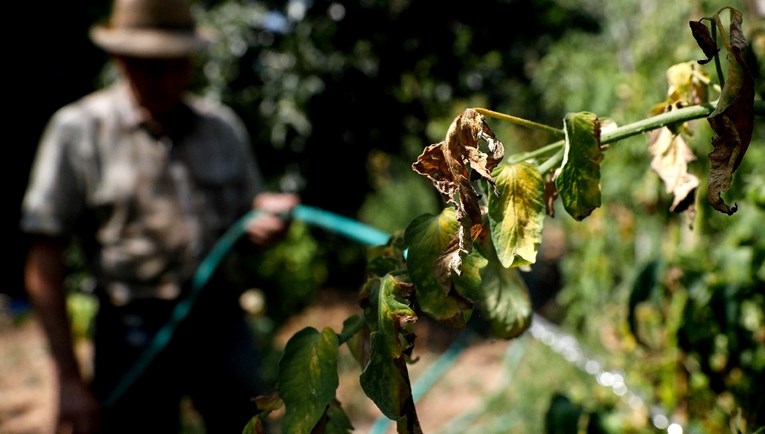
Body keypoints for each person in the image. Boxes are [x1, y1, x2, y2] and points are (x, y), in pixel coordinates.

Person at [19, 0, 299, 432]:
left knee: (247, 425)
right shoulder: (79, 132)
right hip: (132, 328)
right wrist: (69, 379)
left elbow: (245, 218)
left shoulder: (221, 128)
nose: (167, 80)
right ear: (120, 59)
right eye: (150, 67)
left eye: (177, 65)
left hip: (219, 322)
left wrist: (265, 222)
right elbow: (43, 256)